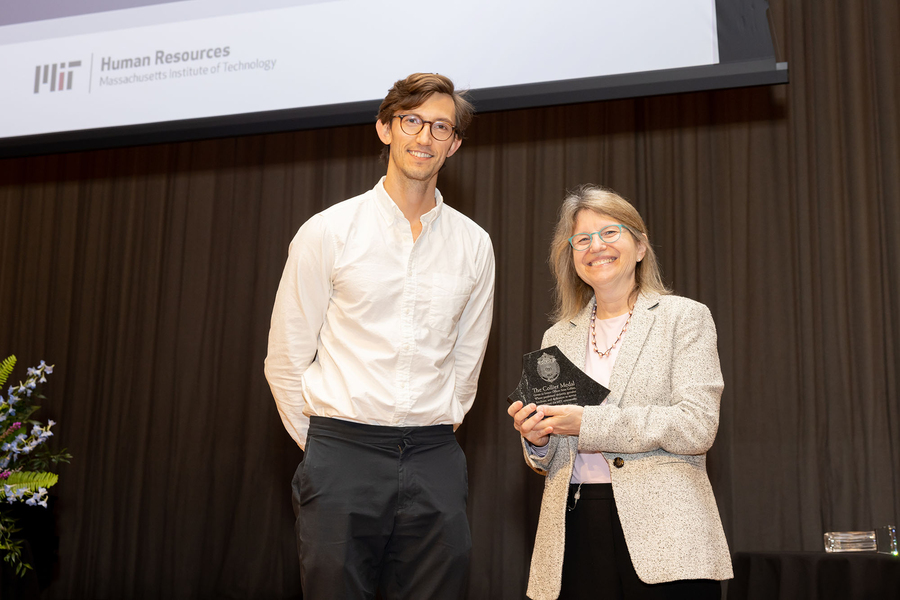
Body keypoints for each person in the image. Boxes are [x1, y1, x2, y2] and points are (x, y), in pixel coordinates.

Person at [265, 73, 495, 599]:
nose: (424, 137)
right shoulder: (327, 230)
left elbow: (467, 359)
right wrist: (325, 446)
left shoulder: (474, 244)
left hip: (435, 455)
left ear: (454, 144)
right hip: (342, 450)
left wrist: (437, 425)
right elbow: (285, 357)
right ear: (384, 129)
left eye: (441, 127)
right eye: (411, 121)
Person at [507, 185, 732, 600]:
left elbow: (696, 426)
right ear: (572, 257)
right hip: (574, 528)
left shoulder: (684, 317)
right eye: (582, 240)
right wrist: (537, 438)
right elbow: (550, 455)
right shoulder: (557, 337)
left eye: (610, 233)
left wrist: (587, 422)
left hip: (667, 534)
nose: (596, 247)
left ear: (641, 246)